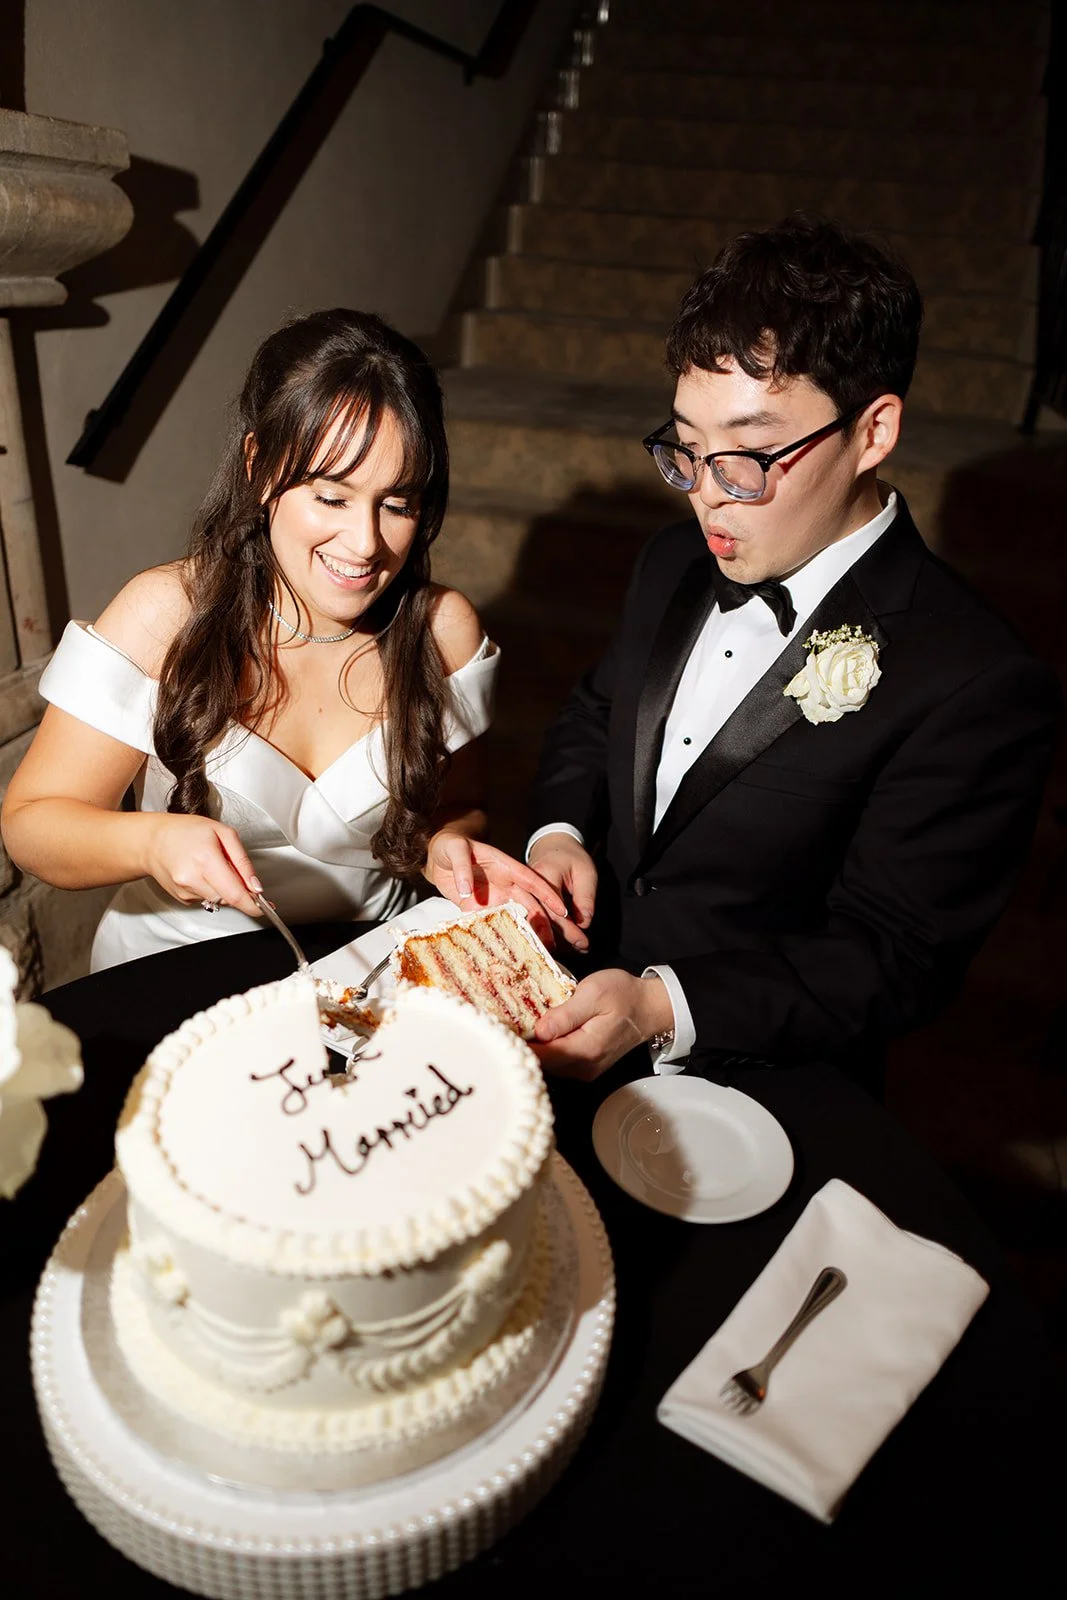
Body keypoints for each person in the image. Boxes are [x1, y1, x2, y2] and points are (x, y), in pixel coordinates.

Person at [526, 217, 1060, 1091]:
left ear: (872, 432)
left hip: (760, 1079)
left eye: (747, 454)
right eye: (686, 447)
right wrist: (559, 833)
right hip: (572, 999)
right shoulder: (670, 560)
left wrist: (662, 1006)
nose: (706, 494)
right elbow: (596, 713)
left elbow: (894, 955)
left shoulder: (976, 679)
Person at [2, 309, 579, 970]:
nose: (365, 543)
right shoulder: (166, 613)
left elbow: (459, 807)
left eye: (397, 504)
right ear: (260, 466)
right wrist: (150, 842)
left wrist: (446, 846)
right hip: (173, 970)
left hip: (367, 967)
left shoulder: (443, 630)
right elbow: (31, 825)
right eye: (331, 498)